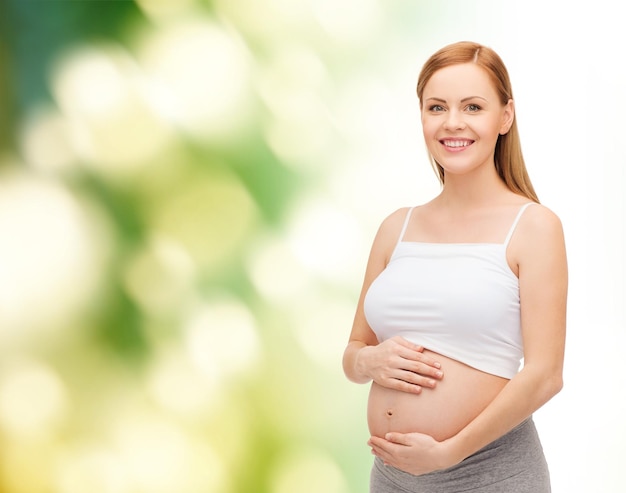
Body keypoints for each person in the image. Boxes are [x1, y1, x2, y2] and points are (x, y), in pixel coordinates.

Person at [342, 41, 567, 493]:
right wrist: (369, 360)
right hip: (391, 477)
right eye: (437, 107)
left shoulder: (533, 226)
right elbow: (352, 353)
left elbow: (545, 375)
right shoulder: (396, 228)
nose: (452, 123)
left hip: (489, 475)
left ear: (505, 117)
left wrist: (449, 453)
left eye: (473, 106)